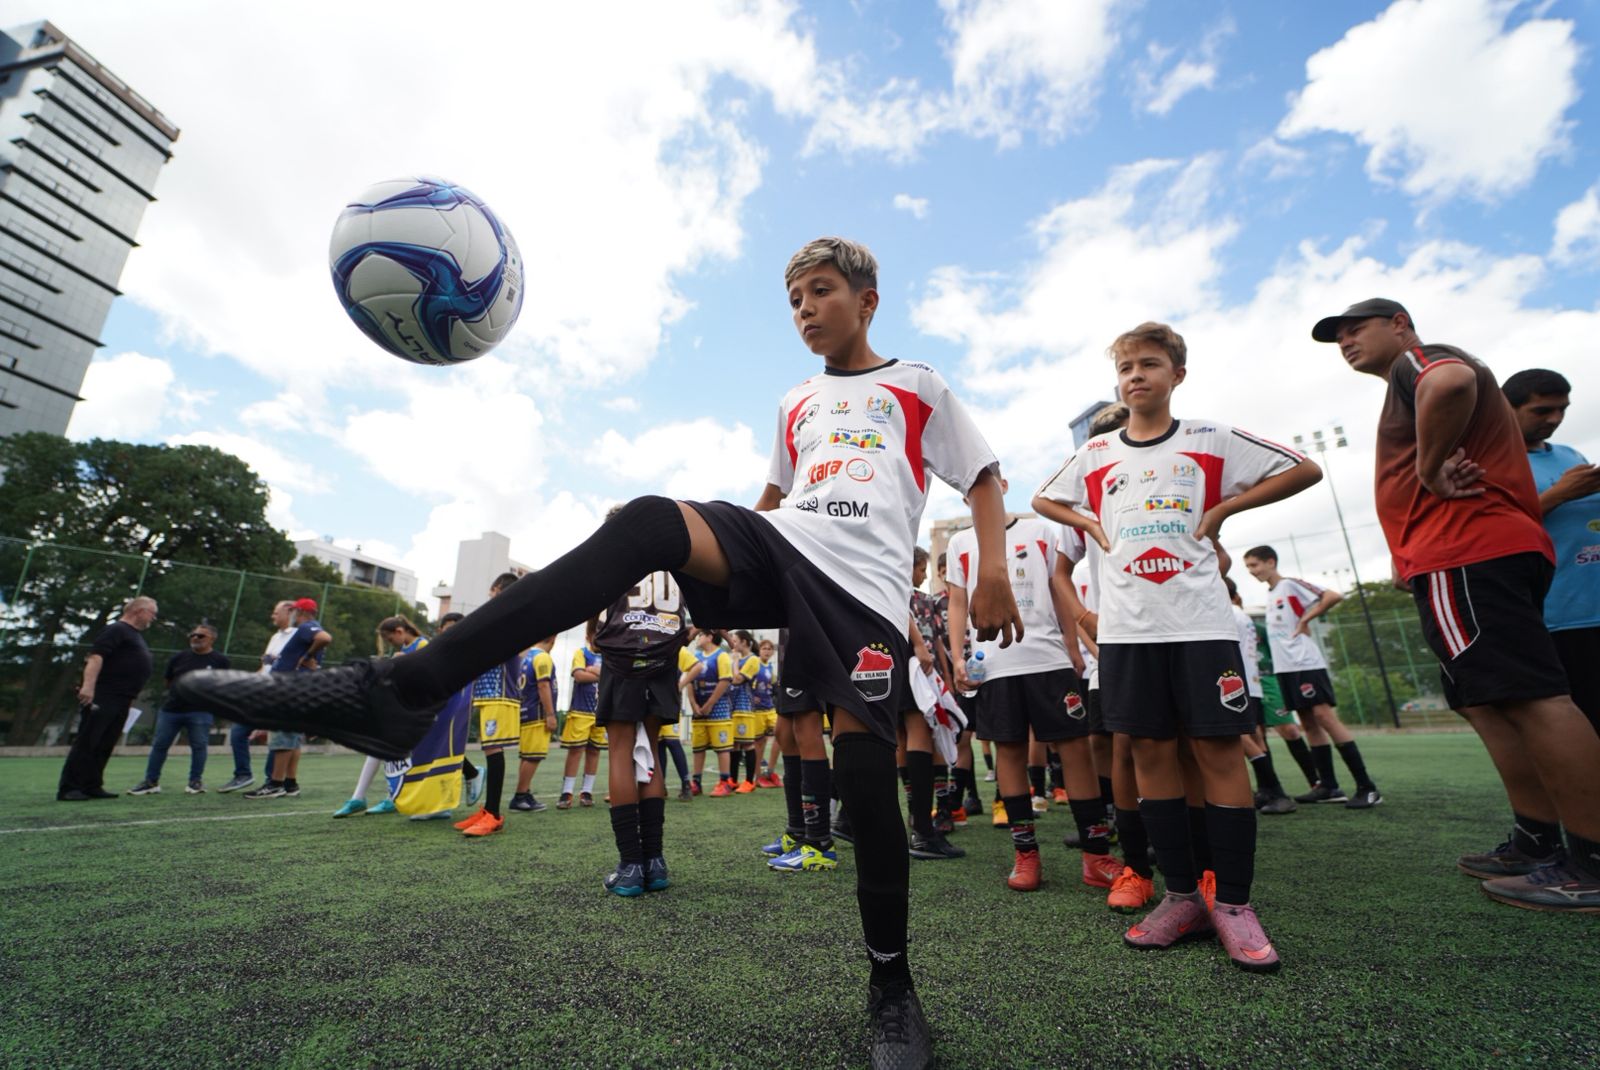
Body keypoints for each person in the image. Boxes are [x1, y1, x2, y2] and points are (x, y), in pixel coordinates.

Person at [178, 235, 1022, 1069]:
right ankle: (403, 687)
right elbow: (770, 498)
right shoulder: (796, 400)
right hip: (786, 544)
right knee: (650, 519)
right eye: (795, 298)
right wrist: (709, 558)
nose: (805, 309)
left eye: (823, 292)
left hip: (863, 594)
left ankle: (891, 987)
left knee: (868, 789)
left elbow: (983, 476)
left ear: (867, 301)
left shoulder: (917, 385)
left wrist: (991, 574)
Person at [1034, 320, 1321, 971]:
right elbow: (1043, 498)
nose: (1136, 375)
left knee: (1219, 752)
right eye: (1127, 367)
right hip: (1128, 633)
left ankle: (1237, 904)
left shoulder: (1210, 438)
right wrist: (1084, 520)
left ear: (1177, 375)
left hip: (1201, 625)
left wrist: (1222, 514)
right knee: (1151, 753)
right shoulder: (1098, 453)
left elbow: (1305, 468)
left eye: (1150, 364)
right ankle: (1184, 896)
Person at [1313, 297, 1600, 910]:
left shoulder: (1418, 359)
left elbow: (1450, 381)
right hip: (1469, 553)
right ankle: (1537, 840)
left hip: (1466, 549)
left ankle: (1592, 860)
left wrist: (1428, 463)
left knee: (1531, 698)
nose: (1345, 342)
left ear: (1398, 324)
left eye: (1355, 329)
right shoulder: (1404, 375)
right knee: (1489, 703)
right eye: (1337, 337)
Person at [948, 482, 1105, 889]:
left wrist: (1073, 648)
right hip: (994, 665)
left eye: (984, 481)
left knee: (1075, 749)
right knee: (1010, 753)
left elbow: (1058, 590)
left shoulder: (1041, 532)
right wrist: (958, 656)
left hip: (1048, 658)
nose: (975, 490)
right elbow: (957, 603)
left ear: (1001, 486)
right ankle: (1026, 857)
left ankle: (1097, 856)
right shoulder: (960, 542)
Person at [1240, 546, 1381, 808]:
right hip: (1286, 668)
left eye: (1255, 565)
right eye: (1248, 567)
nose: (1252, 571)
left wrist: (1307, 619)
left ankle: (1367, 787)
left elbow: (1332, 595)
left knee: (1324, 716)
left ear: (1271, 562)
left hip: (1305, 662)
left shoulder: (1289, 585)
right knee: (1308, 722)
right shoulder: (1271, 595)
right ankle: (1328, 786)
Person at [1503, 368, 1600, 736]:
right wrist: (1561, 493)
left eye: (1562, 409)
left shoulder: (1571, 454)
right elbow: (1496, 528)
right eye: (1542, 411)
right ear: (1507, 408)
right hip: (1556, 617)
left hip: (1596, 608)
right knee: (1582, 727)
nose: (1555, 419)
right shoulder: (1494, 462)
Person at [591, 553, 694, 895]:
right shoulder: (672, 566)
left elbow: (591, 608)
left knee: (621, 752)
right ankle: (654, 862)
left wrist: (595, 635)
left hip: (622, 657)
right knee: (650, 750)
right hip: (662, 656)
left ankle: (631, 865)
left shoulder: (612, 558)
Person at [333, 616, 451, 818]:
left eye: (389, 639)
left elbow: (426, 678)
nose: (390, 643)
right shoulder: (405, 649)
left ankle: (389, 798)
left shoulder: (422, 645)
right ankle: (365, 798)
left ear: (399, 631)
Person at [58, 597, 158, 801]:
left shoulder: (134, 635)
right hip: (104, 695)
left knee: (105, 742)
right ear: (139, 611)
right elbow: (96, 657)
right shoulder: (116, 629)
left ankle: (92, 785)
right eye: (152, 613)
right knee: (89, 740)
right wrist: (88, 686)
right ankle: (69, 788)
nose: (153, 618)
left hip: (122, 698)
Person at [453, 573, 528, 834]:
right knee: (489, 748)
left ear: (497, 589)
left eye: (492, 592)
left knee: (494, 749)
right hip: (488, 692)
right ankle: (488, 809)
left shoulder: (511, 618)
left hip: (501, 693)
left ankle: (494, 814)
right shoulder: (502, 616)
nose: (490, 597)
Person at [127, 623, 231, 796]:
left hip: (201, 711)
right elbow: (168, 680)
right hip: (171, 710)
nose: (195, 638)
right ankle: (151, 782)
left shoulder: (220, 661)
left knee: (199, 746)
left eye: (200, 636)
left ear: (212, 638)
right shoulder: (178, 657)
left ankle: (195, 782)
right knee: (160, 745)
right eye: (193, 635)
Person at [244, 598, 330, 800]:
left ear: (298, 611)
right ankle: (290, 783)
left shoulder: (307, 626)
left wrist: (308, 656)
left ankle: (276, 784)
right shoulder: (307, 629)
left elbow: (325, 638)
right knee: (292, 739)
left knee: (282, 738)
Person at [1223, 578, 1296, 815]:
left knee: (1242, 737)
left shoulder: (1228, 614)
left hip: (1237, 683)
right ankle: (1267, 790)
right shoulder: (1239, 614)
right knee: (1256, 737)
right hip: (1249, 683)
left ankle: (1276, 791)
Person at [219, 600, 295, 794]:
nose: (273, 616)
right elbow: (266, 665)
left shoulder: (297, 636)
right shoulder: (275, 637)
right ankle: (243, 774)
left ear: (290, 612)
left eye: (276, 612)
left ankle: (273, 781)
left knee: (277, 738)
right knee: (238, 732)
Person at [555, 622, 605, 809]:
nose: (599, 637)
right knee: (575, 751)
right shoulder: (581, 653)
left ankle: (587, 791)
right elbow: (579, 676)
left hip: (601, 712)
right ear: (588, 636)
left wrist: (593, 671)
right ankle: (567, 792)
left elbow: (614, 676)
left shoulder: (609, 656)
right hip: (581, 711)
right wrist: (601, 674)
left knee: (594, 751)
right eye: (596, 634)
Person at [683, 628, 737, 796]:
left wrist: (710, 704)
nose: (698, 638)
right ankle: (696, 783)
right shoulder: (696, 657)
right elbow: (690, 681)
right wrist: (693, 703)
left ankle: (724, 782)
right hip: (698, 710)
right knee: (698, 747)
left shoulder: (721, 656)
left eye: (700, 635)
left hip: (718, 709)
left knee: (722, 748)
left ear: (710, 637)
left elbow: (725, 681)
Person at [512, 633, 559, 813]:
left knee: (527, 755)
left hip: (525, 711)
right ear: (552, 639)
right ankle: (520, 796)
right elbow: (543, 685)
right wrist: (550, 714)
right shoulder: (542, 657)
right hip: (537, 714)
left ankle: (525, 792)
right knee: (533, 756)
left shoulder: (526, 657)